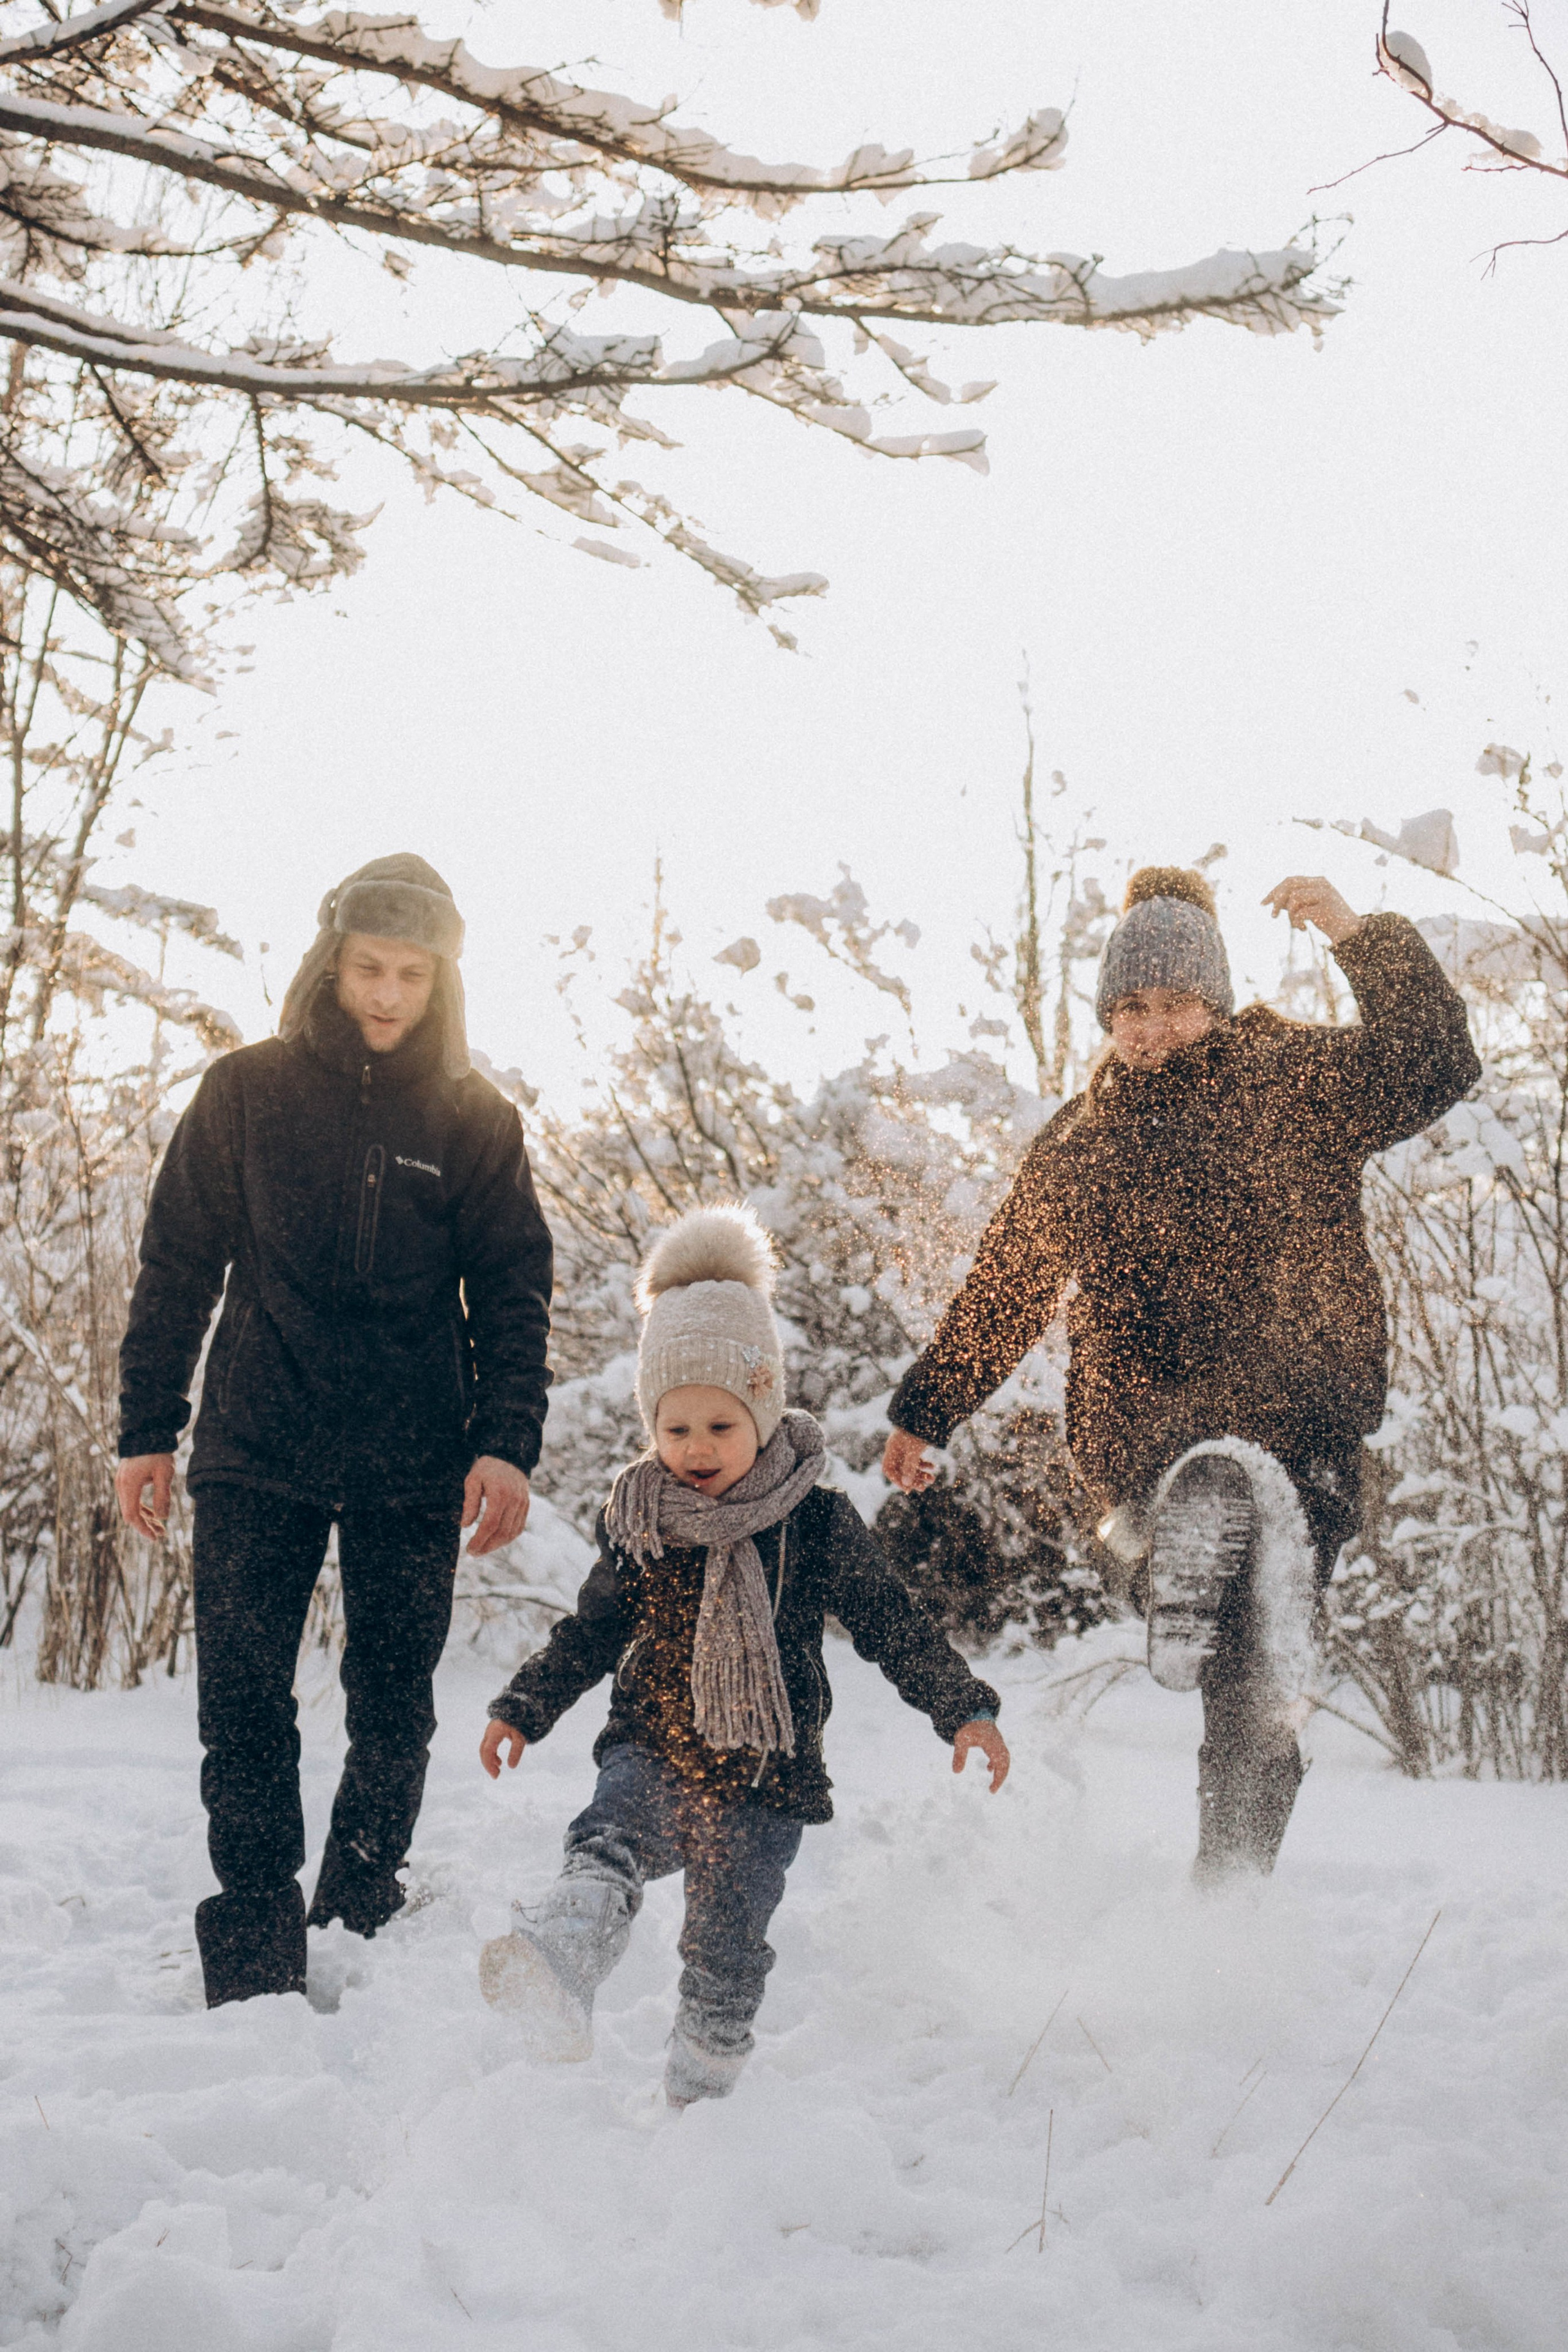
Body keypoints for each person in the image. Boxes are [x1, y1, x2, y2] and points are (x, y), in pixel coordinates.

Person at [883, 867, 1480, 1885]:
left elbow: (1436, 1061)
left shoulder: (1294, 1079)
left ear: (1217, 1001)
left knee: (1254, 1678)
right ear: (1107, 1016)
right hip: (1146, 1439)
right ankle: (1174, 1577)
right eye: (1132, 1009)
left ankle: (1228, 1896)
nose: (1153, 1028)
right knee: (1160, 1558)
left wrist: (1353, 932)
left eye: (1176, 1004)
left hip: (1296, 1436)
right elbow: (1009, 1287)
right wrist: (928, 1408)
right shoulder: (1083, 1140)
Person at [116, 853, 554, 2007]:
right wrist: (145, 1428)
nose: (388, 994)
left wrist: (506, 1442)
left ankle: (357, 1918)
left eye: (413, 974)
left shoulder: (475, 1118)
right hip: (258, 1442)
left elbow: (513, 1290)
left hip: (414, 1455)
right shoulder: (246, 1092)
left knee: (394, 1706)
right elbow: (176, 1265)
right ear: (330, 963)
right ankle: (256, 1952)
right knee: (243, 1702)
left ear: (443, 981)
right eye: (369, 968)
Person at [478, 1203, 1009, 2106]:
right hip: (654, 1745)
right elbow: (593, 1629)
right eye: (675, 1429)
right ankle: (559, 1961)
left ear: (762, 1413)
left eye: (719, 1427)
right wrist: (523, 1707)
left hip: (767, 1777)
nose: (695, 1451)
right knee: (606, 1841)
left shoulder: (815, 1519)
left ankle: (700, 2098)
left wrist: (963, 1708)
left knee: (726, 1954)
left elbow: (892, 1623)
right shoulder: (643, 1519)